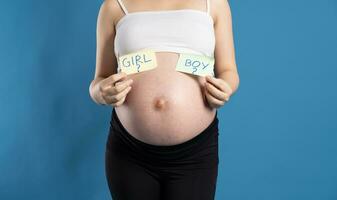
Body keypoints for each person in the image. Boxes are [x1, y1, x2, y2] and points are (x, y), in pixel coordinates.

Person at [89, 0, 240, 199]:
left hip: (195, 153)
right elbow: (99, 80)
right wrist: (101, 92)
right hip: (130, 151)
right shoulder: (113, 6)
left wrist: (226, 87)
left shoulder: (214, 3)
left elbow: (229, 71)